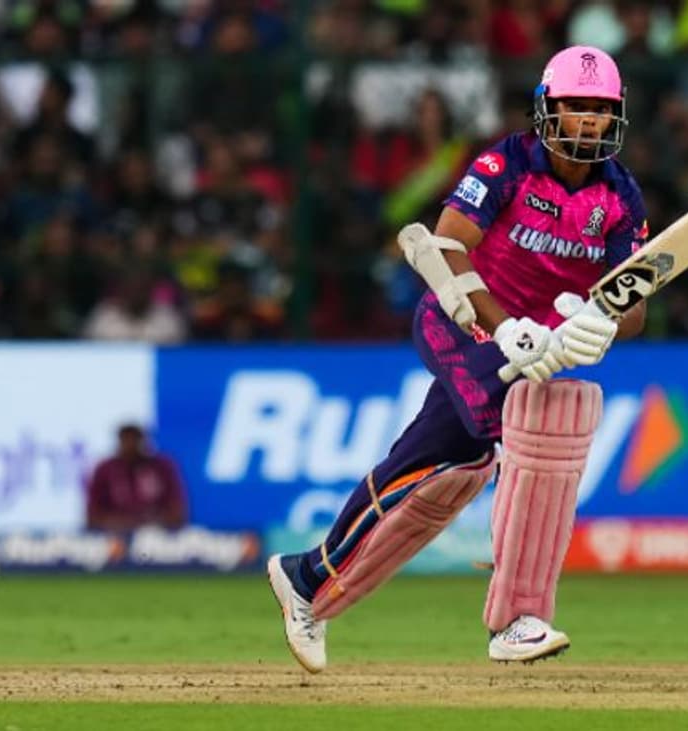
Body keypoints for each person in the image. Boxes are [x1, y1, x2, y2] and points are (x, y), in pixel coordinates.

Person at [266, 45, 648, 672]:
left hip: (537, 349)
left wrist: (599, 321)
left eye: (601, 109)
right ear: (548, 108)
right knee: (539, 423)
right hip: (460, 324)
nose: (588, 120)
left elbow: (633, 308)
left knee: (445, 468)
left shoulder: (621, 196)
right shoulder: (507, 164)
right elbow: (445, 246)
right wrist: (506, 328)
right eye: (576, 105)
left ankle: (307, 577)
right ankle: (517, 617)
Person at [85, 424, 188, 532]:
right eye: (126, 440)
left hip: (157, 531)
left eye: (135, 440)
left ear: (144, 442)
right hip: (115, 532)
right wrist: (116, 522)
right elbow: (92, 514)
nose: (130, 445)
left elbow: (177, 509)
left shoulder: (162, 467)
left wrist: (156, 521)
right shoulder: (106, 469)